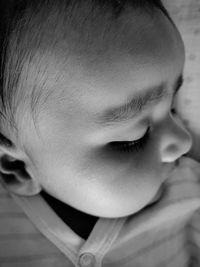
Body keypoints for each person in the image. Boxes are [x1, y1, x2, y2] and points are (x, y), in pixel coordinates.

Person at [0, 0, 200, 266]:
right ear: (17, 167)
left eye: (172, 107)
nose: (184, 142)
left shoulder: (188, 193)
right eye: (134, 139)